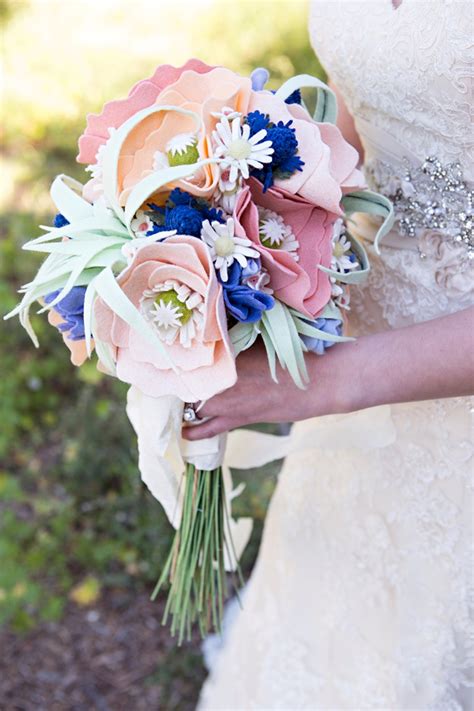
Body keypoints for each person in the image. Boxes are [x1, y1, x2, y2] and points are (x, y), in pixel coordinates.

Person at [188, 1, 474, 708]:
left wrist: (327, 381)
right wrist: (248, 242)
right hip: (374, 307)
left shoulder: (337, 379)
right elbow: (365, 103)